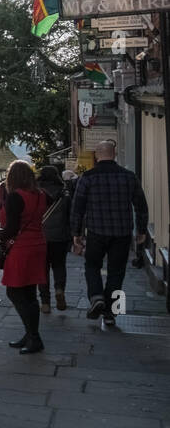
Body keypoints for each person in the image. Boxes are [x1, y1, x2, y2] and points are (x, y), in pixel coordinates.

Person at [69, 140, 149, 327]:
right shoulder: (129, 177)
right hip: (122, 233)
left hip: (96, 231)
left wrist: (76, 233)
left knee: (92, 266)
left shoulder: (87, 177)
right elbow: (141, 205)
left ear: (97, 155)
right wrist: (142, 230)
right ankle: (112, 314)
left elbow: (77, 208)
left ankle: (96, 297)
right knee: (117, 271)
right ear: (115, 154)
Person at [0, 160, 49, 354]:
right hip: (39, 244)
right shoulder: (41, 195)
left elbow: (12, 229)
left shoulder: (16, 197)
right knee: (30, 293)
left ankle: (34, 337)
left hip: (22, 248)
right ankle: (29, 334)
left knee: (15, 292)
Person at [37, 165, 71, 313]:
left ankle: (45, 302)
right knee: (59, 265)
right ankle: (59, 289)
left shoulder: (36, 192)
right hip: (60, 236)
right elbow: (70, 215)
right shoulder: (65, 193)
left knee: (42, 269)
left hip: (40, 236)